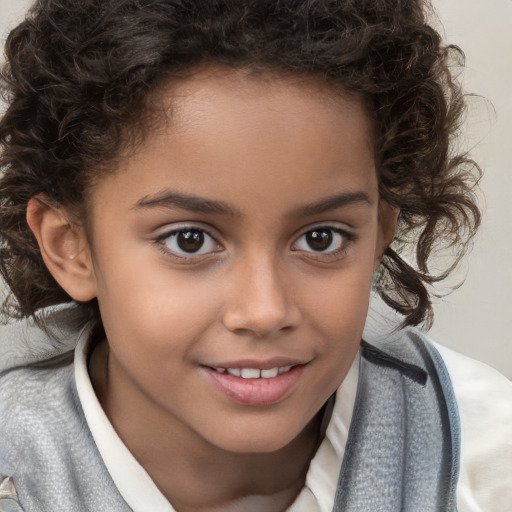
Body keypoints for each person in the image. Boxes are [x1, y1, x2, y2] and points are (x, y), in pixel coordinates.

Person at [0, 0, 510, 511]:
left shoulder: (480, 449)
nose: (265, 311)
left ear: (379, 232)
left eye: (321, 238)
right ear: (72, 247)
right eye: (190, 240)